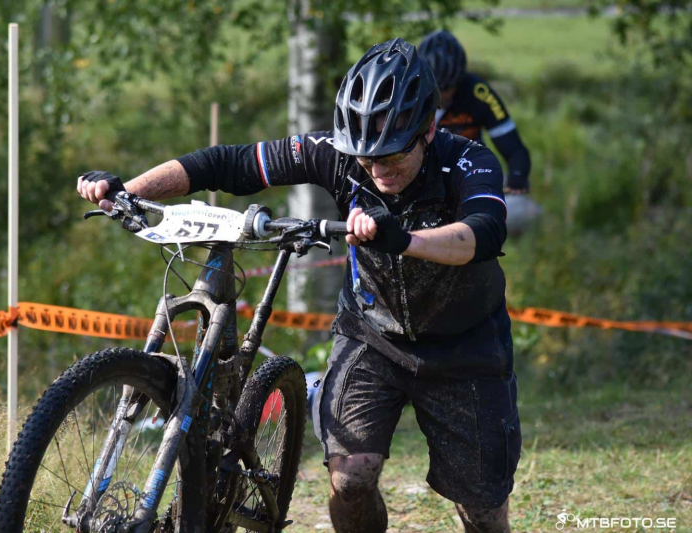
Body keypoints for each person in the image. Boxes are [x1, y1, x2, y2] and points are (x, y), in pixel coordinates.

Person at [78, 38, 520, 533]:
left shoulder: (469, 161)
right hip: (372, 336)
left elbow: (484, 233)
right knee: (349, 479)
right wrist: (128, 189)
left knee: (482, 510)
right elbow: (229, 163)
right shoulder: (338, 154)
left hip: (466, 345)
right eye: (365, 159)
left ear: (429, 130)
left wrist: (405, 240)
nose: (378, 171)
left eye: (393, 156)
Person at [418, 29, 531, 197]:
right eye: (434, 89)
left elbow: (514, 149)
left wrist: (517, 176)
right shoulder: (407, 92)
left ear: (459, 80)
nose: (440, 96)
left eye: (446, 89)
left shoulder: (478, 92)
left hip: (469, 172)